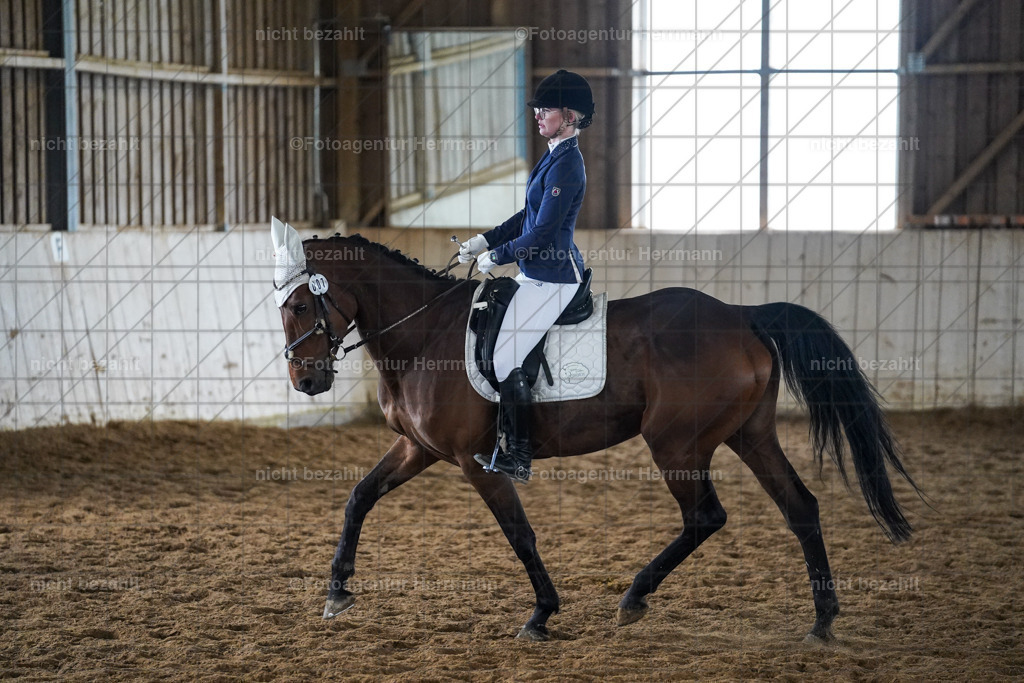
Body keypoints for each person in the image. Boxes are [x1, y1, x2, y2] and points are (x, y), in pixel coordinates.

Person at [459, 69, 595, 482]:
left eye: (546, 108)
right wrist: (485, 240)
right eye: (537, 107)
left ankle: (518, 455)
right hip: (534, 271)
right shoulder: (553, 152)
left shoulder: (569, 164)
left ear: (569, 115)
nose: (537, 114)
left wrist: (498, 255)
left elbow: (542, 233)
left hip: (554, 276)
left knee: (504, 358)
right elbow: (527, 215)